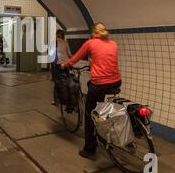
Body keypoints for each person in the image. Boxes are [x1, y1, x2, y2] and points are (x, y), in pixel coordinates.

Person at [61, 22, 122, 160]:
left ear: (94, 33)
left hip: (100, 84)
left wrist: (66, 64)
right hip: (116, 81)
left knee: (89, 113)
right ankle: (102, 129)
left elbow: (75, 58)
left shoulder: (91, 43)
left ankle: (89, 148)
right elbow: (108, 62)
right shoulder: (113, 44)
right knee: (97, 103)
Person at [52, 29, 72, 105]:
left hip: (58, 65)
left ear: (56, 34)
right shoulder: (65, 42)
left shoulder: (54, 42)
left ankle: (55, 100)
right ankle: (66, 99)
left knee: (57, 82)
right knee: (66, 81)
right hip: (66, 64)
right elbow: (69, 54)